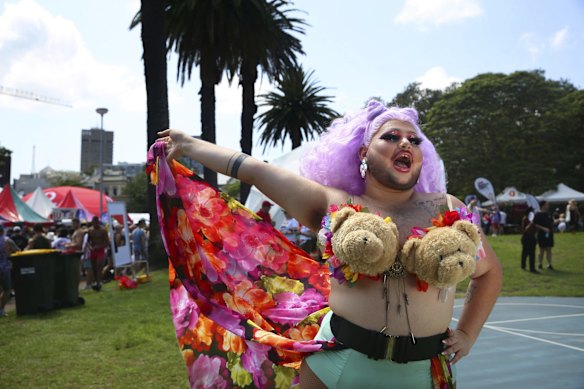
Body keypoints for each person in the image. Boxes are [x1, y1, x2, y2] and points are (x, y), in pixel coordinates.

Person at [157, 100, 502, 388]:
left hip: (423, 373)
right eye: (392, 136)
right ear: (364, 152)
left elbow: (488, 274)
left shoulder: (450, 208)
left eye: (415, 139)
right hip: (338, 364)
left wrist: (468, 333)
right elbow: (255, 171)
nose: (406, 143)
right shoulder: (334, 202)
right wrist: (189, 144)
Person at [86, 216, 110, 291]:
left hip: (100, 250)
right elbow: (87, 241)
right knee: (93, 268)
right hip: (93, 250)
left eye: (96, 223)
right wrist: (90, 247)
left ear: (98, 222)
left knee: (99, 267)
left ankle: (99, 282)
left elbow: (107, 242)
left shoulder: (103, 230)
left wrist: (99, 246)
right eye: (93, 223)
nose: (95, 224)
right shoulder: (90, 230)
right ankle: (96, 282)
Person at [0, 225, 20, 317]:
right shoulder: (7, 240)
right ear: (2, 231)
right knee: (7, 289)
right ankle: (1, 309)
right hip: (4, 267)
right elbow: (17, 251)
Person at [533, 201, 554, 270]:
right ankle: (540, 264)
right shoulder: (538, 214)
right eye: (546, 205)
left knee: (549, 249)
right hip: (542, 234)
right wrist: (544, 228)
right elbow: (535, 224)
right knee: (541, 249)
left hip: (549, 234)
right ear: (542, 206)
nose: (548, 206)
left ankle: (549, 264)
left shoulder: (548, 214)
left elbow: (551, 222)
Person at [520, 207, 538, 273]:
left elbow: (535, 229)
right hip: (526, 237)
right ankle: (523, 266)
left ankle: (532, 268)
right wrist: (530, 224)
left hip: (532, 237)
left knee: (532, 254)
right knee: (525, 253)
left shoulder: (534, 219)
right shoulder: (525, 219)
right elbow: (524, 230)